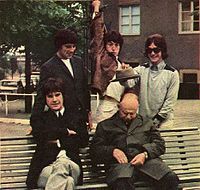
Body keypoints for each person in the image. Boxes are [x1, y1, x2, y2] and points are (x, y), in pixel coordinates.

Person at [91, 92, 179, 190]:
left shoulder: (147, 123)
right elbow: (95, 149)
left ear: (137, 109)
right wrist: (112, 151)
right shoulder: (105, 125)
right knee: (122, 184)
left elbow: (160, 145)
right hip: (120, 167)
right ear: (118, 107)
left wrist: (145, 154)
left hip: (148, 164)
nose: (128, 116)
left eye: (132, 113)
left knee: (170, 178)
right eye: (125, 113)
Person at [26, 78, 89, 189]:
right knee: (68, 181)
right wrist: (65, 132)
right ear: (45, 99)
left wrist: (57, 141)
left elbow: (83, 140)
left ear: (63, 96)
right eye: (50, 96)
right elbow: (40, 136)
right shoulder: (41, 118)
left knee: (63, 164)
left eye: (57, 95)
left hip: (72, 166)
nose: (54, 100)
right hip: (46, 168)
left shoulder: (76, 116)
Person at [31, 28, 91, 129]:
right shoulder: (48, 67)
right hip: (63, 120)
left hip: (81, 118)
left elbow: (84, 89)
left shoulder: (78, 62)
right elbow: (41, 96)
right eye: (68, 47)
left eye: (74, 46)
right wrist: (35, 122)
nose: (72, 50)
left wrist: (88, 113)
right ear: (59, 46)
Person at [126, 33, 180, 128]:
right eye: (149, 50)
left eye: (156, 50)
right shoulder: (141, 69)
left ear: (162, 51)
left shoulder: (172, 73)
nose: (152, 53)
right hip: (143, 121)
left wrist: (157, 119)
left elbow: (170, 101)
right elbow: (128, 83)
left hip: (164, 122)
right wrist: (124, 71)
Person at [90, 0, 129, 123]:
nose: (113, 48)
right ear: (105, 45)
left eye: (116, 45)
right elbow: (98, 35)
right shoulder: (101, 56)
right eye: (110, 44)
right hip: (107, 105)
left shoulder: (119, 62)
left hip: (121, 106)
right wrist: (97, 9)